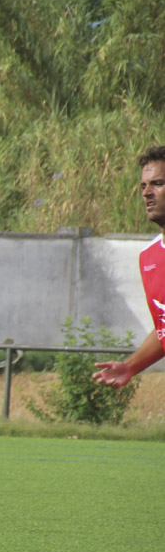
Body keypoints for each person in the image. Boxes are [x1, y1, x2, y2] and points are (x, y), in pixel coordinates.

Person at [93, 145, 165, 388]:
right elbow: (163, 329)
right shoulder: (149, 257)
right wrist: (131, 366)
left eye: (157, 183)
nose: (147, 192)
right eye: (143, 185)